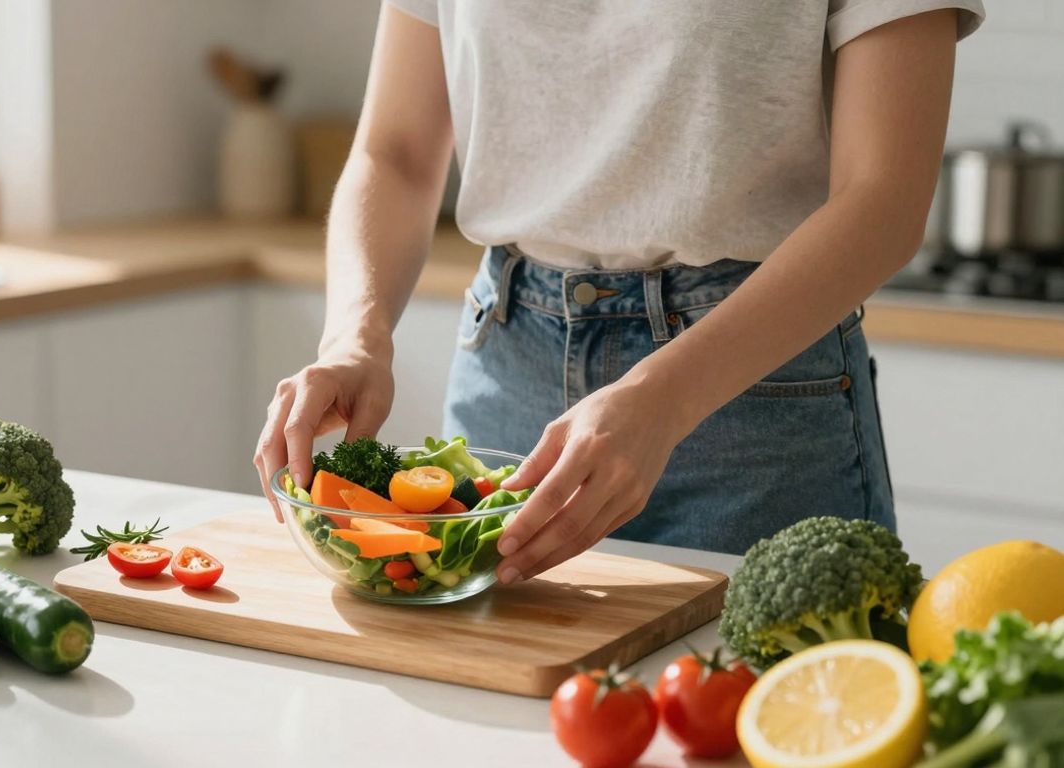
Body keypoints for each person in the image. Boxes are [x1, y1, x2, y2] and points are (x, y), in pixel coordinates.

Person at [253, 1, 985, 584]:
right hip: (506, 370)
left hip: (750, 400)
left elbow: (884, 201)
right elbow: (398, 151)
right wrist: (357, 334)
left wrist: (663, 399)